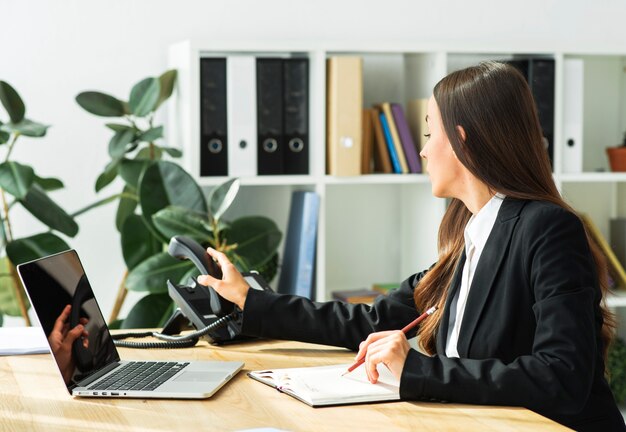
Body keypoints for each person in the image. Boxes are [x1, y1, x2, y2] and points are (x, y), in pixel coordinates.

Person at [197, 61, 626, 431]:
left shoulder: (547, 229)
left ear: (463, 141)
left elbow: (561, 377)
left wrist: (418, 369)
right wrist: (250, 300)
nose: (421, 152)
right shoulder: (472, 234)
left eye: (428, 135)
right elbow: (371, 319)